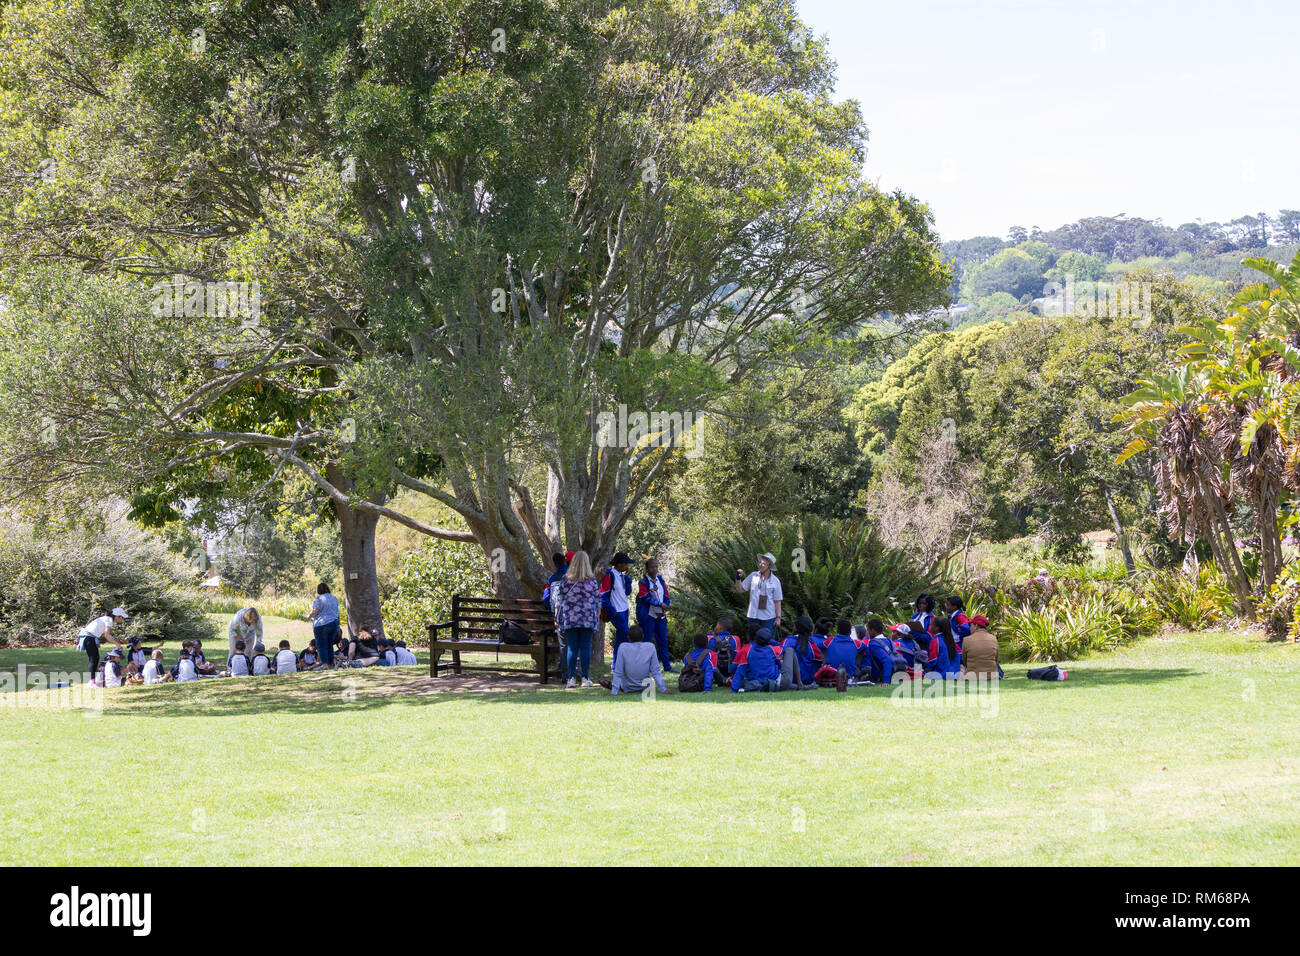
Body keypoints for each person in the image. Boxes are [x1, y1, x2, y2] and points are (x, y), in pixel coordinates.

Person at [561, 550, 601, 689]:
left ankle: (571, 678)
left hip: (570, 618)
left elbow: (560, 599)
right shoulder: (592, 581)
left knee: (571, 648)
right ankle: (585, 678)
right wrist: (597, 617)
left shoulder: (565, 580)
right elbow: (597, 601)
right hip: (587, 618)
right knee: (585, 647)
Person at [607, 624, 667, 696]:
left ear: (628, 637)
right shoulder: (650, 647)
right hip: (646, 687)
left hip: (627, 687)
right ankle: (613, 685)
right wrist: (663, 689)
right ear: (643, 636)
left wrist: (614, 692)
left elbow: (618, 672)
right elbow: (656, 671)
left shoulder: (623, 647)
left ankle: (612, 685)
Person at [636, 557, 672, 671]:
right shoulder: (643, 582)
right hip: (648, 616)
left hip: (661, 616)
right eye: (652, 567)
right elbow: (645, 597)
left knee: (663, 641)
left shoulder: (660, 580)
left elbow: (666, 595)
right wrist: (659, 605)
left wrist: (664, 607)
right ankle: (646, 667)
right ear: (647, 568)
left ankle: (667, 666)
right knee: (647, 642)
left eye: (656, 566)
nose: (654, 569)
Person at [600, 552, 634, 666]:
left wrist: (627, 578)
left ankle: (614, 665)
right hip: (616, 612)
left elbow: (628, 592)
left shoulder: (622, 577)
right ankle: (631, 664)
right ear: (619, 564)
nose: (627, 566)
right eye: (625, 563)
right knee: (627, 636)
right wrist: (612, 611)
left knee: (620, 639)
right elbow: (603, 596)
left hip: (625, 610)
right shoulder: (609, 575)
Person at [735, 553, 783, 634]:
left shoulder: (775, 581)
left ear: (770, 566)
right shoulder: (753, 575)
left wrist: (778, 617)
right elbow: (740, 590)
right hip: (753, 616)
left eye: (763, 563)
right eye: (760, 562)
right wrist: (738, 578)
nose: (760, 565)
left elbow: (777, 601)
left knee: (767, 641)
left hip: (768, 617)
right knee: (753, 641)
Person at [76, 607, 128, 680]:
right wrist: (117, 644)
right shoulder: (109, 620)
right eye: (122, 617)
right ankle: (92, 681)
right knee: (93, 659)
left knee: (95, 658)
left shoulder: (107, 619)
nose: (122, 619)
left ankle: (94, 679)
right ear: (117, 616)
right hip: (88, 637)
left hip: (89, 637)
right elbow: (106, 635)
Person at [730, 627, 780, 693]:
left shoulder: (747, 650)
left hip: (756, 682)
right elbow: (780, 664)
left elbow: (739, 671)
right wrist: (770, 640)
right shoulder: (773, 649)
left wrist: (733, 690)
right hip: (773, 681)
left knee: (745, 680)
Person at [814, 618, 859, 690]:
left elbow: (818, 645)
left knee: (824, 651)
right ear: (850, 632)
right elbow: (866, 646)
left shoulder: (830, 640)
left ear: (837, 630)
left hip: (832, 675)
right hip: (849, 676)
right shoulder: (856, 643)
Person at [779, 616, 820, 689]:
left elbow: (779, 658)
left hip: (789, 679)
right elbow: (819, 662)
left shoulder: (786, 641)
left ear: (796, 628)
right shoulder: (812, 645)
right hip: (808, 680)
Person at [306, 584, 340, 668]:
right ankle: (331, 663)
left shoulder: (318, 599)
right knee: (329, 645)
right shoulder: (334, 598)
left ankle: (325, 664)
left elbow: (315, 611)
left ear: (319, 590)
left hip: (321, 625)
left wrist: (308, 616)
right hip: (333, 624)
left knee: (322, 645)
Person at [962, 614, 1001, 680]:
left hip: (972, 677)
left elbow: (965, 661)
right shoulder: (994, 639)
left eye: (970, 625)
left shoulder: (966, 640)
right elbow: (996, 660)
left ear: (976, 625)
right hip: (991, 677)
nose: (969, 628)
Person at [860, 619, 895, 686]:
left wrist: (886, 681)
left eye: (868, 630)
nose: (868, 632)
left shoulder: (873, 644)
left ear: (873, 630)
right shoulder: (888, 640)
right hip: (892, 673)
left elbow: (887, 660)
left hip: (879, 678)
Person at [707, 617, 739, 682]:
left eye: (716, 625)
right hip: (730, 673)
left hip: (715, 673)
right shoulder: (736, 639)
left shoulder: (710, 639)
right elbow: (737, 657)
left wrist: (712, 634)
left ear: (720, 628)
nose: (715, 627)